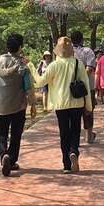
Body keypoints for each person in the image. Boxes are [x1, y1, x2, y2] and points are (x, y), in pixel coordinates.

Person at [28, 37, 92, 174]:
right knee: (75, 130)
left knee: (64, 133)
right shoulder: (78, 63)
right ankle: (74, 151)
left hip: (61, 104)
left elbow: (40, 82)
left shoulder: (54, 65)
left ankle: (66, 165)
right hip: (77, 103)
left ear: (57, 51)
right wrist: (88, 105)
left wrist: (31, 67)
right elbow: (85, 84)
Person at [0, 33, 36, 177]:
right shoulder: (23, 66)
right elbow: (28, 88)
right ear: (20, 47)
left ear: (7, 46)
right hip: (18, 106)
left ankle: (4, 156)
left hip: (0, 106)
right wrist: (32, 103)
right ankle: (12, 159)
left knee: (1, 134)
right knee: (16, 134)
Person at [71, 31, 97, 144]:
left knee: (73, 113)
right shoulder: (88, 51)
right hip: (87, 86)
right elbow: (89, 69)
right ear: (82, 40)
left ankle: (75, 140)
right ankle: (89, 136)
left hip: (71, 87)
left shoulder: (67, 52)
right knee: (88, 110)